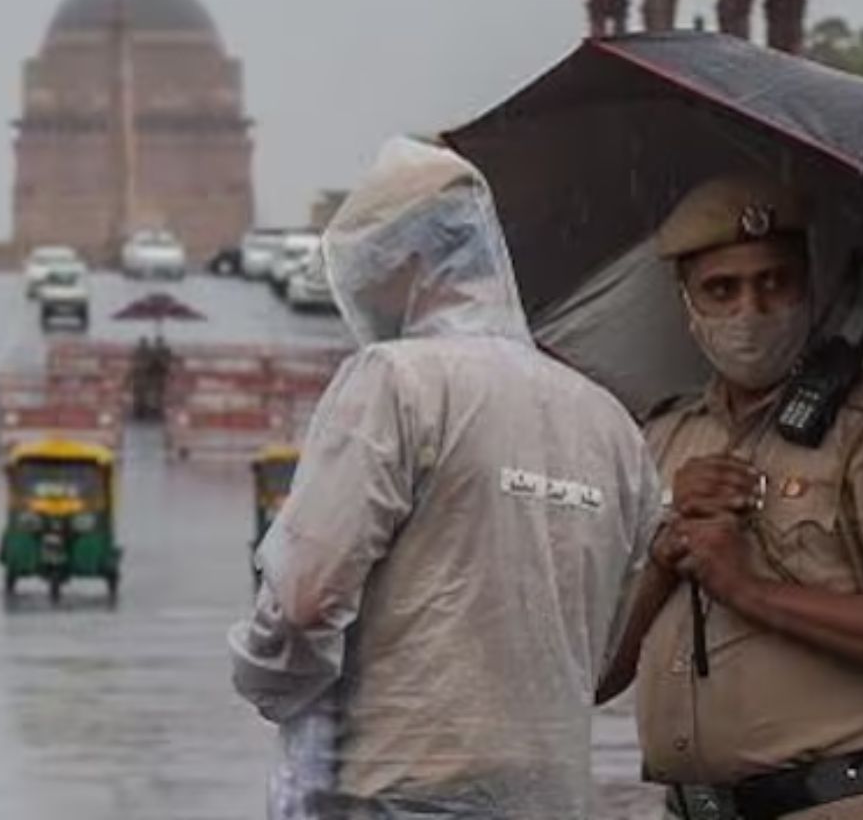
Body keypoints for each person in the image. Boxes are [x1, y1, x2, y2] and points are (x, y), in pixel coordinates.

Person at [229, 138, 659, 819]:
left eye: (368, 267)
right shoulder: (608, 422)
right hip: (550, 793)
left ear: (406, 260)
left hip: (400, 785)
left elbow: (306, 597)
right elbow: (604, 650)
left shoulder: (394, 383)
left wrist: (261, 677)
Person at [597, 173, 863, 820]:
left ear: (810, 288)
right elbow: (596, 671)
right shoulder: (659, 439)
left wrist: (750, 591)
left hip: (832, 802)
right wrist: (662, 548)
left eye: (774, 281)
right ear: (688, 307)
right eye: (722, 289)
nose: (751, 309)